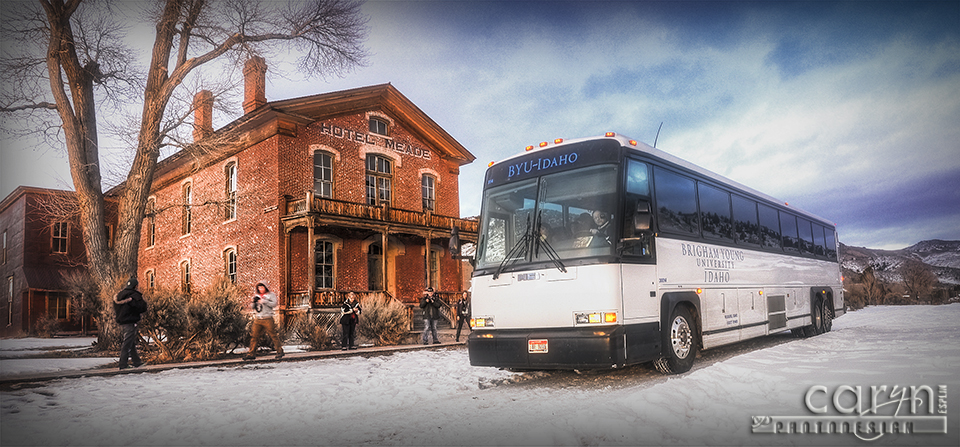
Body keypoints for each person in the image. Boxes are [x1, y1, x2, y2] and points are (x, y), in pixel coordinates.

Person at [243, 282, 284, 360]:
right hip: (258, 318)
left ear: (266, 287)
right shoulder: (256, 295)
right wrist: (254, 302)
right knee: (254, 336)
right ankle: (251, 353)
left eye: (262, 287)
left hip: (268, 318)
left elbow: (274, 304)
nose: (261, 289)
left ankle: (279, 351)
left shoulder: (270, 295)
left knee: (273, 335)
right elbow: (252, 306)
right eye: (259, 288)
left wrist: (264, 301)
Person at [115, 276, 148, 370]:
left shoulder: (119, 295)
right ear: (136, 285)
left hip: (122, 322)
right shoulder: (134, 296)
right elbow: (142, 308)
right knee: (127, 343)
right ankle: (123, 364)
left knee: (131, 342)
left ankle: (137, 362)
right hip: (131, 321)